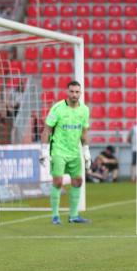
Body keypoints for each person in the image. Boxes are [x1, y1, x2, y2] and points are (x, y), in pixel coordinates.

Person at [39, 81, 91, 225]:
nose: (74, 94)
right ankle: (55, 216)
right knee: (58, 181)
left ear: (80, 93)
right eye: (72, 91)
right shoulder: (57, 108)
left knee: (78, 181)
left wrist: (86, 151)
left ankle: (73, 216)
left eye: (77, 92)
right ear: (67, 92)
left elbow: (84, 132)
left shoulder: (84, 110)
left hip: (75, 152)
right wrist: (44, 151)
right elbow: (47, 129)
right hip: (59, 151)